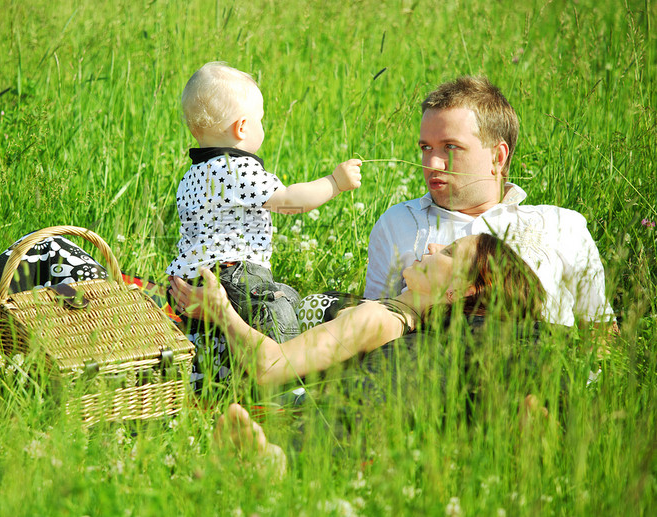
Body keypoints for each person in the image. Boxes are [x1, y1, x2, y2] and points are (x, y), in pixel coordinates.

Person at [171, 233, 546, 472]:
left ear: (461, 290)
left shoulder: (380, 319)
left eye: (448, 251)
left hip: (258, 384)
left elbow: (270, 366)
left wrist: (221, 312)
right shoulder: (403, 324)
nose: (431, 247)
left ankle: (263, 455)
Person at [363, 76, 614, 328]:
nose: (432, 164)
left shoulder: (561, 225)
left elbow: (601, 332)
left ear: (498, 156)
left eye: (450, 146)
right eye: (426, 148)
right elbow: (369, 325)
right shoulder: (398, 223)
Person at [167, 62, 362, 345]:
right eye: (260, 119)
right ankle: (284, 371)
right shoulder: (238, 168)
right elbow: (289, 202)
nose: (263, 126)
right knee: (275, 308)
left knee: (286, 295)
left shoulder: (192, 175)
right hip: (234, 273)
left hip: (189, 281)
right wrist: (335, 183)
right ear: (243, 127)